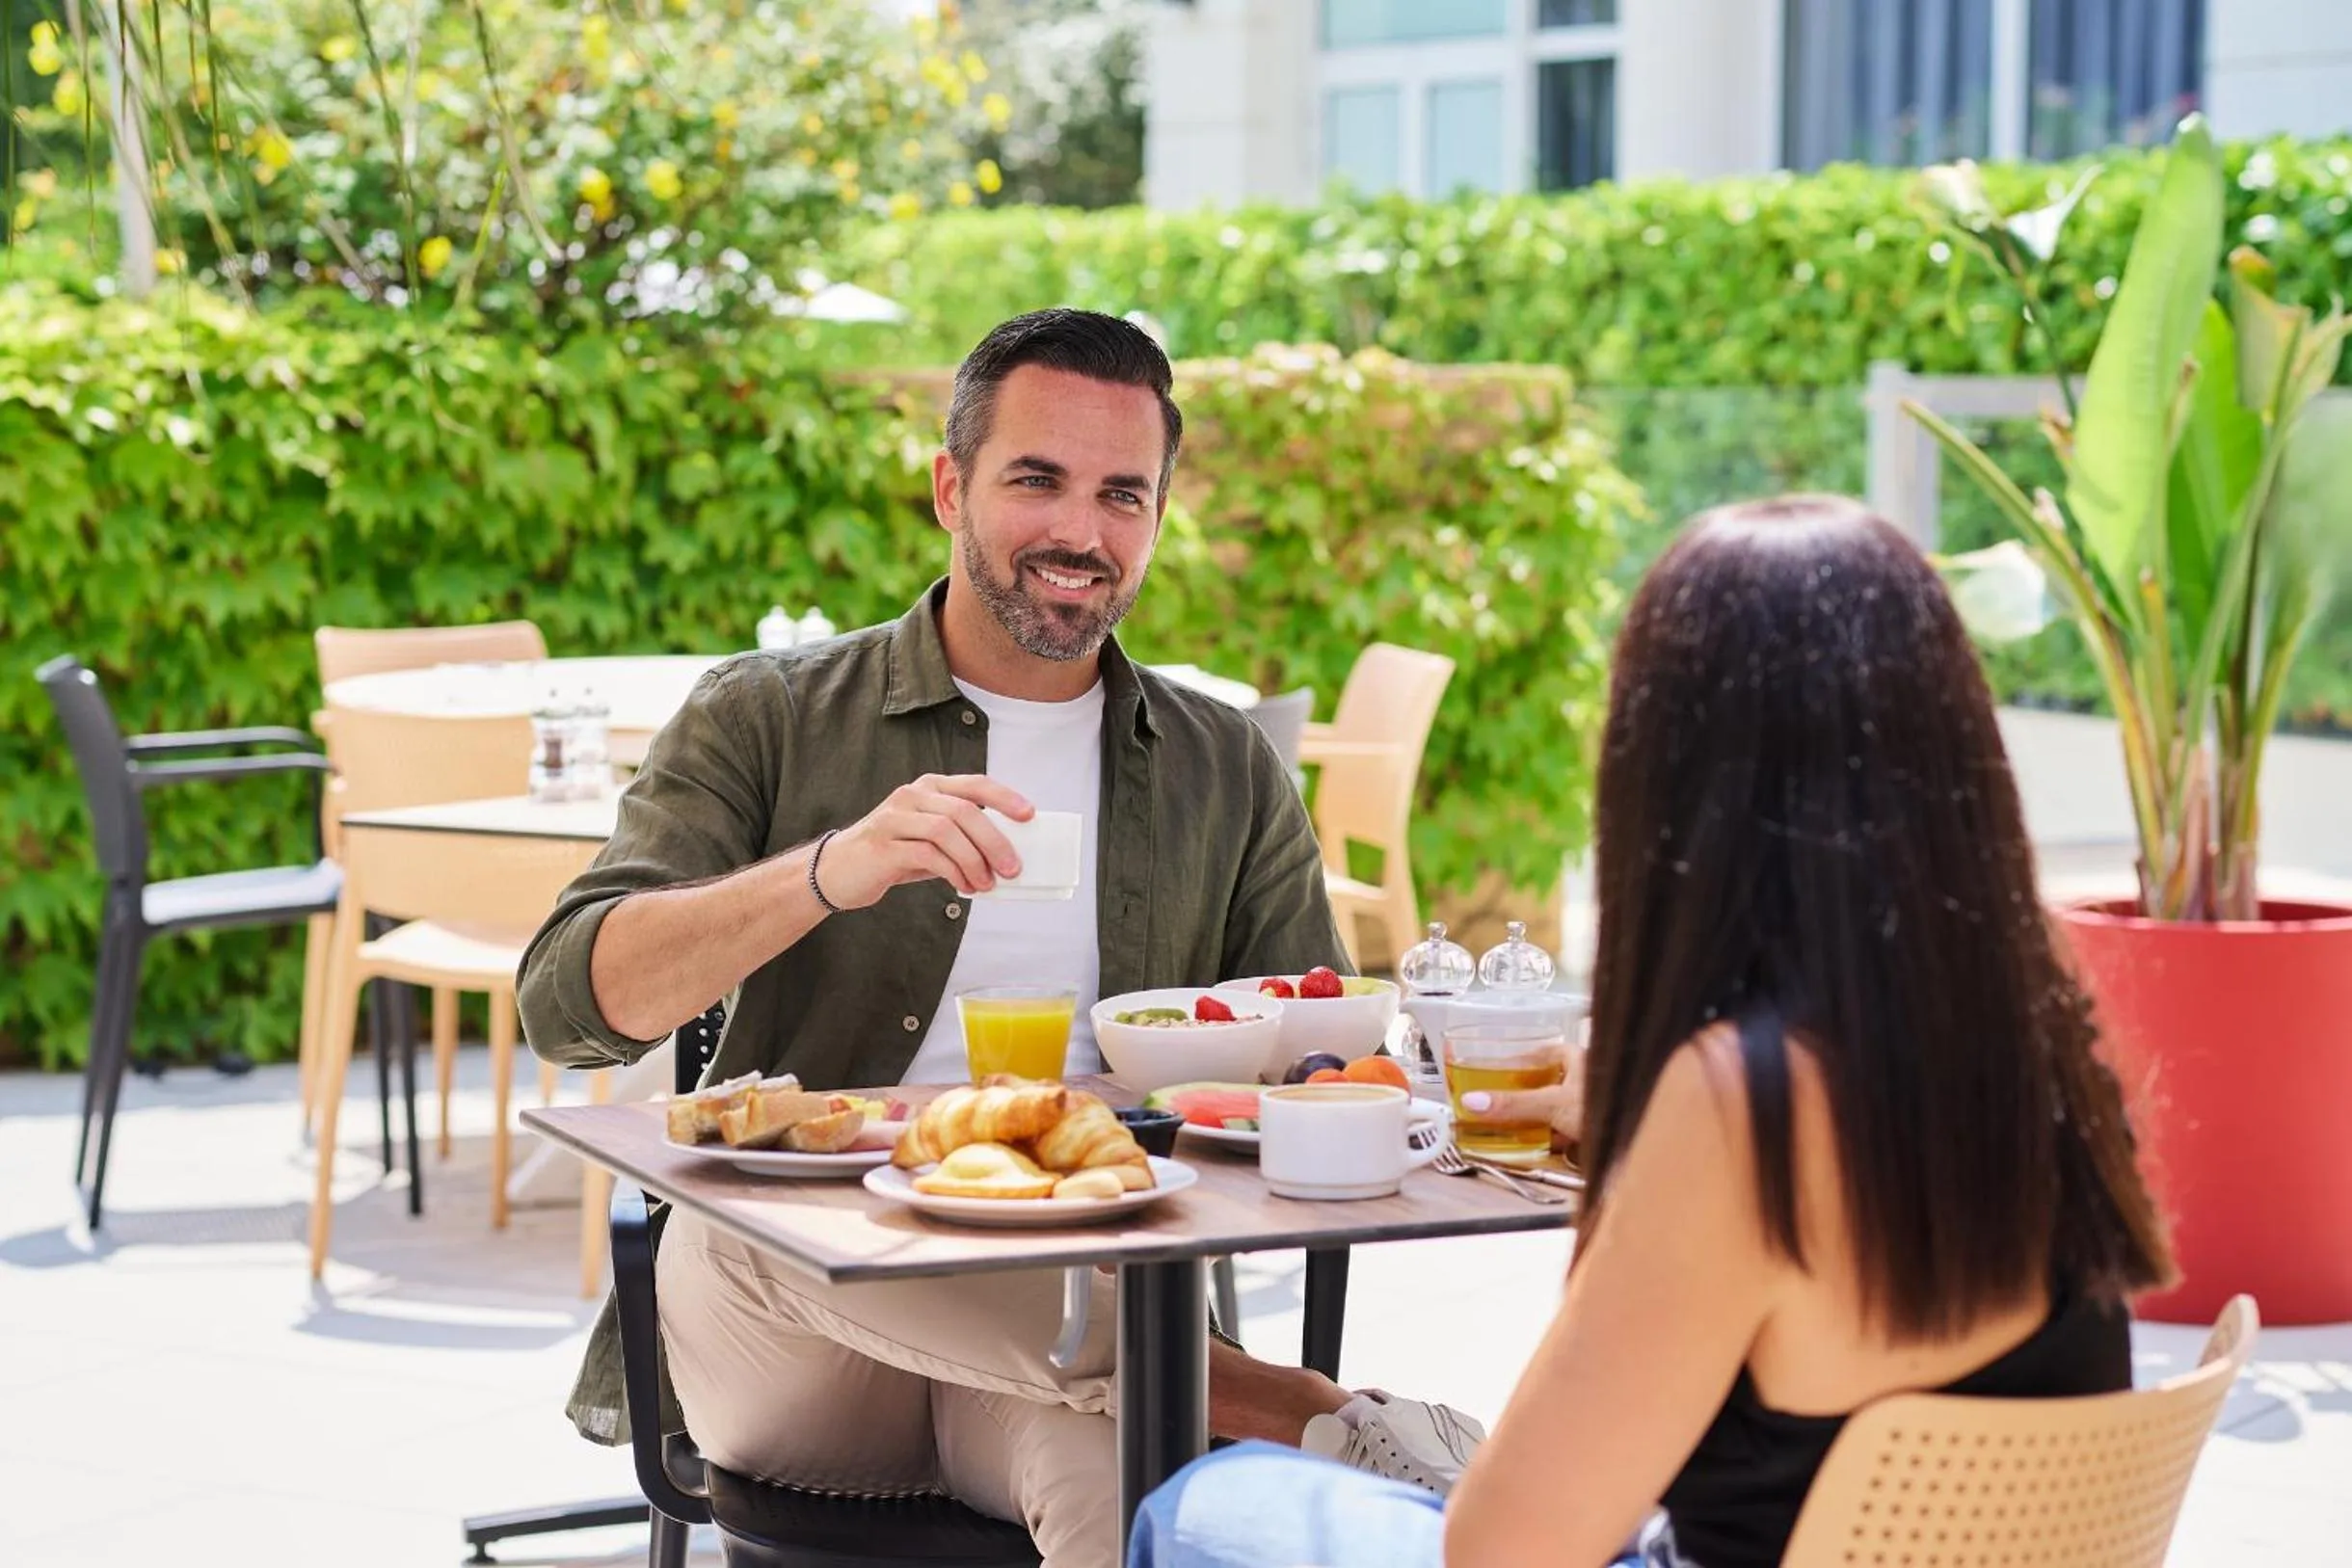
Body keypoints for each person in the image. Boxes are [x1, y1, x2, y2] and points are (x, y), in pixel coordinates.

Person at [517, 308, 1483, 1566]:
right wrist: (828, 870)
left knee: (1120, 1479)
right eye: (1037, 479)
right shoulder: (767, 716)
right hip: (791, 1337)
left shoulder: (1220, 763)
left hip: (1073, 1333)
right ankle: (1304, 1409)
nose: (1081, 532)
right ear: (947, 486)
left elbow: (1301, 1056)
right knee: (747, 1216)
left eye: (1122, 494)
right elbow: (566, 1003)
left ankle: (1222, 1393)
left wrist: (1378, 1085)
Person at [1127, 494, 2177, 1568]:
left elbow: (1502, 1547)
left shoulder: (1744, 1105)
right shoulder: (2041, 1049)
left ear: (1673, 779)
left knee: (1205, 1506)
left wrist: (1646, 1167)